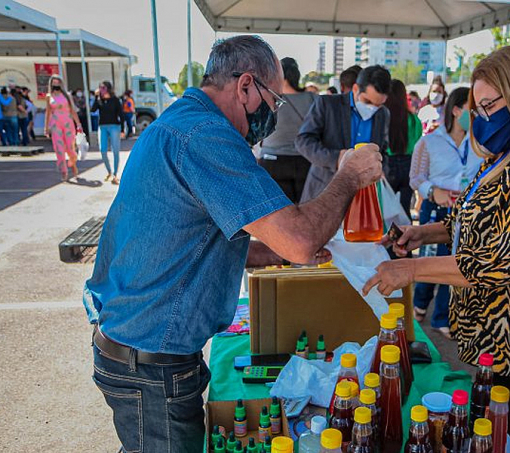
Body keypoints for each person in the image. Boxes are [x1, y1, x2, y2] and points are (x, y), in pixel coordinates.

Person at [84, 35, 382, 452]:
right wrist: (348, 175)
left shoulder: (181, 122)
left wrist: (281, 250)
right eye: (273, 102)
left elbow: (197, 241)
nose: (272, 115)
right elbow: (298, 241)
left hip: (135, 346)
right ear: (245, 87)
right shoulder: (206, 135)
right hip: (149, 359)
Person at [363, 46, 510, 453]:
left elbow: (502, 258)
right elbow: (471, 221)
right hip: (502, 342)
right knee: (489, 437)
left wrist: (411, 271)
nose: (481, 118)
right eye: (477, 107)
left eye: (490, 105)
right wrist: (424, 233)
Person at [408, 86, 483, 339]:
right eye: (471, 110)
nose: (475, 116)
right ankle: (419, 304)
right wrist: (432, 192)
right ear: (456, 110)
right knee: (430, 261)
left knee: (454, 265)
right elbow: (416, 177)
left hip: (468, 212)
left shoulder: (481, 143)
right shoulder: (429, 141)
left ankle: (443, 317)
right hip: (436, 209)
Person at [296, 65, 391, 202]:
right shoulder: (327, 105)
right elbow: (303, 141)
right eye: (367, 101)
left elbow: (384, 149)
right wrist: (336, 158)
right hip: (324, 189)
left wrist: (381, 169)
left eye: (378, 105)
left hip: (364, 196)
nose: (372, 109)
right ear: (355, 89)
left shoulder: (383, 114)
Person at [258, 57, 315, 203]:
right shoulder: (313, 99)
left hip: (272, 161)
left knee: (279, 211)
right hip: (306, 161)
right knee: (305, 209)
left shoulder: (267, 98)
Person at [384, 79, 422, 218]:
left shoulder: (383, 118)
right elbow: (418, 142)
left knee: (385, 209)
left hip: (388, 165)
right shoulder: (413, 119)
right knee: (405, 210)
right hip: (409, 165)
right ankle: (405, 237)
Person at [44, 76, 82, 181]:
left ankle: (73, 164)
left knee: (70, 148)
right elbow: (48, 112)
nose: (56, 85)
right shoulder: (49, 96)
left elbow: (72, 110)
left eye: (58, 83)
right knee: (59, 148)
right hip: (56, 124)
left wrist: (78, 124)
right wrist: (46, 127)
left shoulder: (67, 95)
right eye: (54, 83)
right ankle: (64, 171)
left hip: (68, 123)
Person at [92, 81, 124, 184]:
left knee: (115, 150)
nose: (101, 89)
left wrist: (123, 130)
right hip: (103, 127)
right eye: (100, 87)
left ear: (108, 88)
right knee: (103, 150)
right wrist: (96, 97)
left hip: (115, 126)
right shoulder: (99, 100)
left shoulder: (115, 100)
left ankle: (115, 174)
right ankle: (109, 172)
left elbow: (121, 115)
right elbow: (93, 109)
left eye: (103, 87)